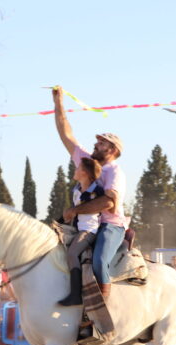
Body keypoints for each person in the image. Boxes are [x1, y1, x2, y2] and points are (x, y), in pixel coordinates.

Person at [52, 85, 127, 300]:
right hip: (84, 222)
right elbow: (66, 133)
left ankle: (104, 303)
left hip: (110, 225)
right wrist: (58, 103)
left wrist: (74, 210)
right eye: (97, 141)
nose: (96, 144)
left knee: (99, 260)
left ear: (112, 150)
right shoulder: (87, 163)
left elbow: (107, 203)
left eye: (101, 143)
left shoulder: (115, 172)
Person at [59, 157, 104, 306]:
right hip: (78, 228)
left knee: (72, 253)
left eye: (78, 168)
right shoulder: (77, 190)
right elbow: (73, 212)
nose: (75, 170)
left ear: (84, 173)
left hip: (89, 231)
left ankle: (75, 295)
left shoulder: (96, 191)